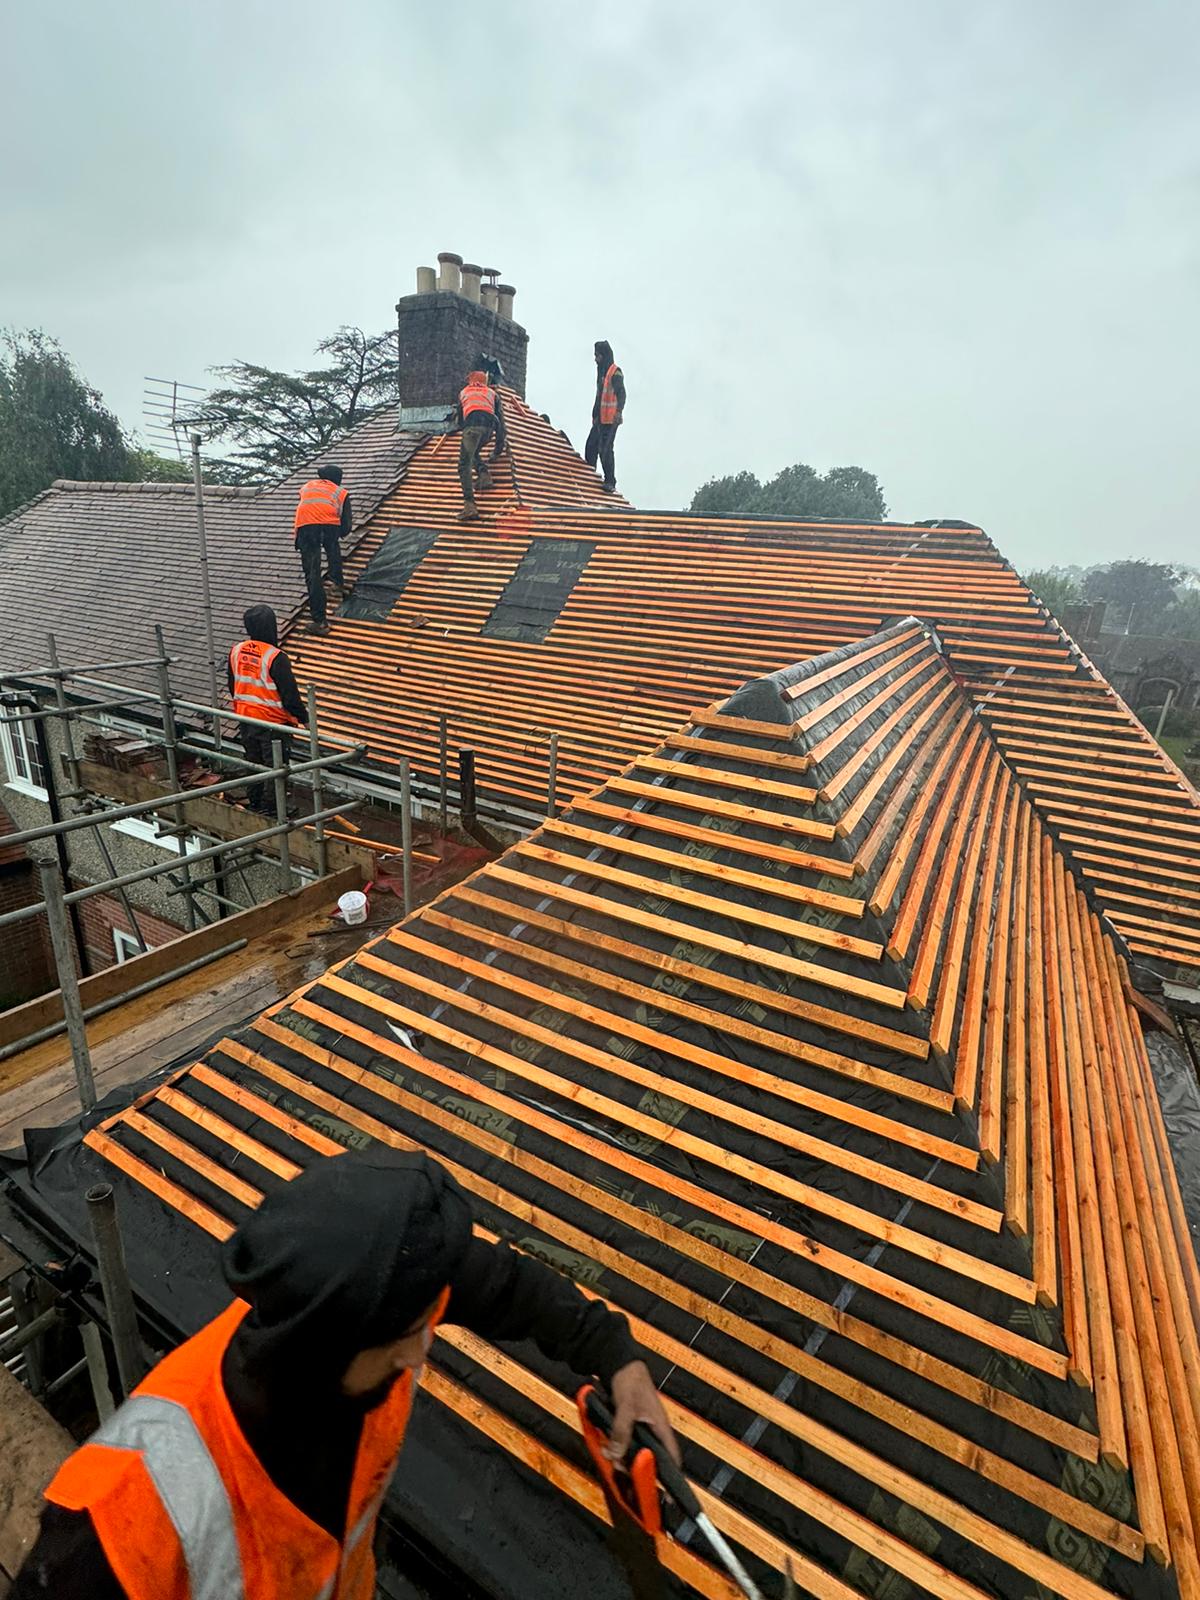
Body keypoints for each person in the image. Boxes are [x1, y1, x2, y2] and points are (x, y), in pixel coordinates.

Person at [14, 1150, 676, 1600]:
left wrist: (618, 1359)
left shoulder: (359, 1313)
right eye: (413, 1335)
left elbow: (501, 1284)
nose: (422, 1352)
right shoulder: (129, 1513)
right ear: (343, 1341)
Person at [227, 604, 305, 813]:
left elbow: (232, 686)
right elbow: (290, 696)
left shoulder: (237, 651)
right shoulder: (275, 657)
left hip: (246, 720)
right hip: (272, 722)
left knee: (254, 764)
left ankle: (255, 804)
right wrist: (304, 718)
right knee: (275, 769)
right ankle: (271, 811)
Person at [294, 463, 352, 636]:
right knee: (333, 548)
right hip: (329, 526)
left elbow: (305, 508)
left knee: (313, 574)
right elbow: (346, 526)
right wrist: (338, 535)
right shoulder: (340, 492)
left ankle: (320, 622)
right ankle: (337, 584)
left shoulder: (307, 487)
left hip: (307, 527)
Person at [454, 362, 507, 521]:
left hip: (473, 428)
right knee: (474, 451)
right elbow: (501, 424)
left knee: (464, 464)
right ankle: (484, 475)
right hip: (489, 430)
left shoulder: (464, 392)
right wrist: (498, 450)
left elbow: (459, 420)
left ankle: (469, 506)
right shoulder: (492, 394)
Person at [584, 340, 625, 495]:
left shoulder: (615, 372)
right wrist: (595, 414)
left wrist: (619, 412)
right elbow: (599, 396)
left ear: (604, 355)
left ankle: (610, 481)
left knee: (606, 450)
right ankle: (588, 475)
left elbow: (622, 394)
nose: (595, 359)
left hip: (610, 420)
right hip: (600, 419)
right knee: (591, 446)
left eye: (597, 356)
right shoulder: (601, 372)